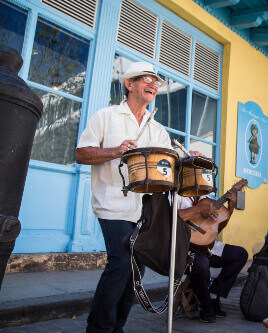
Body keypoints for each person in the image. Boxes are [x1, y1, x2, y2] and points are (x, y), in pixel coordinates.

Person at [75, 61, 173, 332]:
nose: (154, 84)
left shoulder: (157, 128)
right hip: (112, 203)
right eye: (147, 79)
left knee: (137, 272)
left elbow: (169, 162)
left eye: (157, 82)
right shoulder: (106, 116)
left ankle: (116, 327)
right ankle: (98, 328)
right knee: (120, 262)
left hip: (144, 209)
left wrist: (188, 160)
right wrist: (116, 151)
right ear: (129, 84)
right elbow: (81, 153)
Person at [178, 193, 248, 323]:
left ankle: (214, 294)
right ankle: (206, 306)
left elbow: (218, 224)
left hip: (207, 245)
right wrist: (198, 209)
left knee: (240, 254)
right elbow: (171, 217)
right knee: (201, 263)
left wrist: (231, 207)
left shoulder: (206, 198)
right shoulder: (177, 196)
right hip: (183, 247)